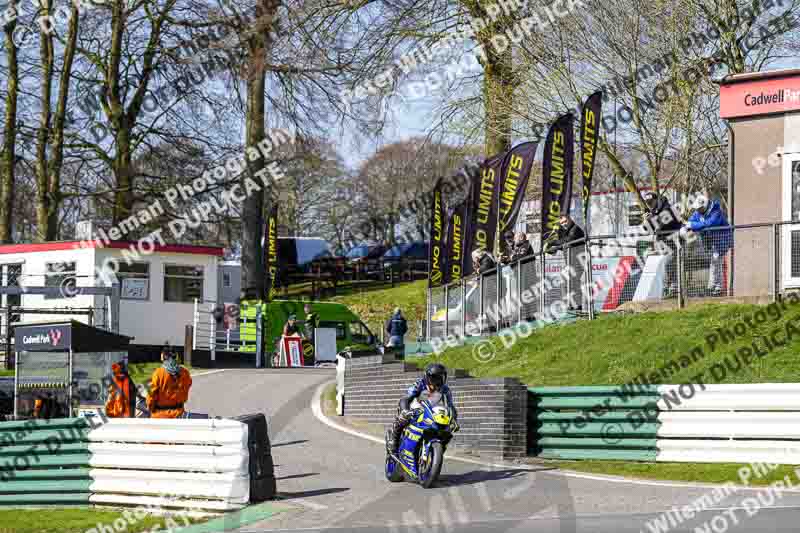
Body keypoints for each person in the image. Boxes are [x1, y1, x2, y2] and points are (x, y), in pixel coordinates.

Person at [387, 363, 459, 454]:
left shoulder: (445, 390)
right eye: (434, 378)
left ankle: (437, 451)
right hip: (415, 408)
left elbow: (450, 406)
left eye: (440, 378)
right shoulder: (419, 384)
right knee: (403, 418)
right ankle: (394, 438)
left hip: (433, 411)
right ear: (427, 377)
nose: (437, 381)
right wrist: (405, 410)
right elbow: (405, 398)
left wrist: (454, 419)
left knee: (447, 429)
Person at [684, 194, 732, 296]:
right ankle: (713, 286)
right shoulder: (699, 213)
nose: (698, 210)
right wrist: (689, 225)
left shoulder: (716, 212)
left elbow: (709, 223)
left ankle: (716, 286)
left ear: (705, 206)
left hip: (721, 241)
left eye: (700, 208)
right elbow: (692, 221)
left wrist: (692, 225)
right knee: (714, 263)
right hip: (711, 242)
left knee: (716, 262)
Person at [644, 192, 683, 297]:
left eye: (651, 202)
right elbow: (649, 229)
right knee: (665, 264)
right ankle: (667, 287)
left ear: (656, 200)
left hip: (673, 239)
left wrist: (653, 219)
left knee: (670, 263)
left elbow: (663, 224)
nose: (649, 204)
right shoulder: (654, 211)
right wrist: (647, 220)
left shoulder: (667, 208)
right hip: (662, 241)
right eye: (647, 203)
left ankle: (673, 288)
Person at [545, 215, 586, 310]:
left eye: (565, 221)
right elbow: (562, 245)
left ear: (570, 220)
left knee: (574, 282)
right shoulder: (563, 231)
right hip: (569, 261)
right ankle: (571, 304)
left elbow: (569, 240)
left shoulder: (575, 229)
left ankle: (578, 306)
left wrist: (553, 243)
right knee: (566, 283)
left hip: (579, 261)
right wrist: (550, 249)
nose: (564, 224)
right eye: (562, 223)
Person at [146, 347, 192, 419]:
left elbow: (150, 396)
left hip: (159, 415)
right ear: (176, 357)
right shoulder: (185, 372)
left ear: (162, 357)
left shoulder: (157, 373)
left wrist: (150, 408)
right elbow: (186, 390)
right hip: (179, 414)